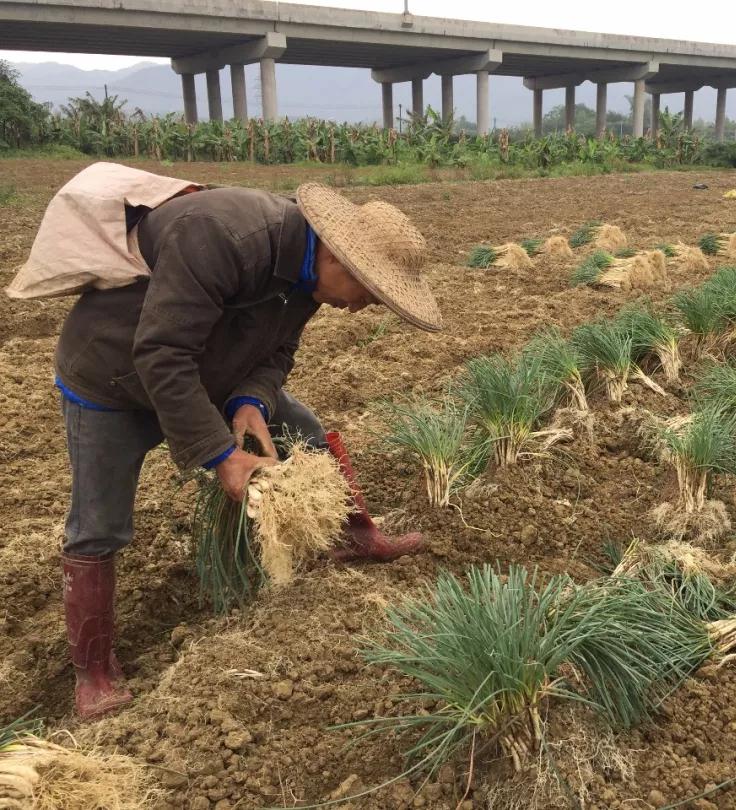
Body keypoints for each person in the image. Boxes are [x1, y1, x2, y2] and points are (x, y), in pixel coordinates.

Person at [51, 182, 442, 719]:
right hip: (113, 375)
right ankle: (93, 673)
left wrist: (250, 399)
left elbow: (278, 348)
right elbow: (162, 353)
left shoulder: (310, 276)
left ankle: (358, 535)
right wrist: (221, 453)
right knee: (99, 520)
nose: (358, 310)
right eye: (366, 295)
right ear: (337, 257)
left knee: (301, 424)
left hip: (206, 364)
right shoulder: (223, 234)